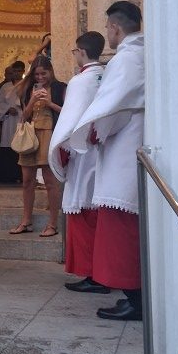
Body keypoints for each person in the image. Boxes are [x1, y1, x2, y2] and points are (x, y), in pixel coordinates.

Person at [70, 1, 145, 320]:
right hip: (135, 141)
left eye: (108, 28)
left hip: (123, 149)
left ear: (115, 28)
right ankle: (135, 296)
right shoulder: (145, 53)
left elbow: (109, 108)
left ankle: (134, 298)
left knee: (121, 224)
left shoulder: (126, 59)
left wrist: (91, 133)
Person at [47, 31, 107, 292]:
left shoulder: (80, 81)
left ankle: (92, 273)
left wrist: (58, 151)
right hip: (104, 152)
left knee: (81, 210)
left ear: (81, 52)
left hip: (81, 154)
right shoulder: (108, 75)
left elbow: (69, 124)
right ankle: (104, 271)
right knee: (100, 212)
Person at [8, 56, 66, 237]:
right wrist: (32, 100)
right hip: (31, 134)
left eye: (44, 74)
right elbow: (23, 116)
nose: (40, 77)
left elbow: (68, 112)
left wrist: (49, 103)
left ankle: (53, 223)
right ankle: (26, 220)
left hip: (50, 133)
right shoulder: (27, 89)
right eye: (37, 74)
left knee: (50, 181)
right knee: (27, 181)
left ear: (51, 72)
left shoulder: (59, 88)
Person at [0, 64, 24, 184]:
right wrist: (7, 109)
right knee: (8, 147)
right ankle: (8, 176)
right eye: (14, 71)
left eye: (18, 70)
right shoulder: (5, 86)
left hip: (21, 118)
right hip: (9, 121)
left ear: (22, 71)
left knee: (22, 146)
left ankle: (20, 175)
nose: (16, 73)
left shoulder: (26, 84)